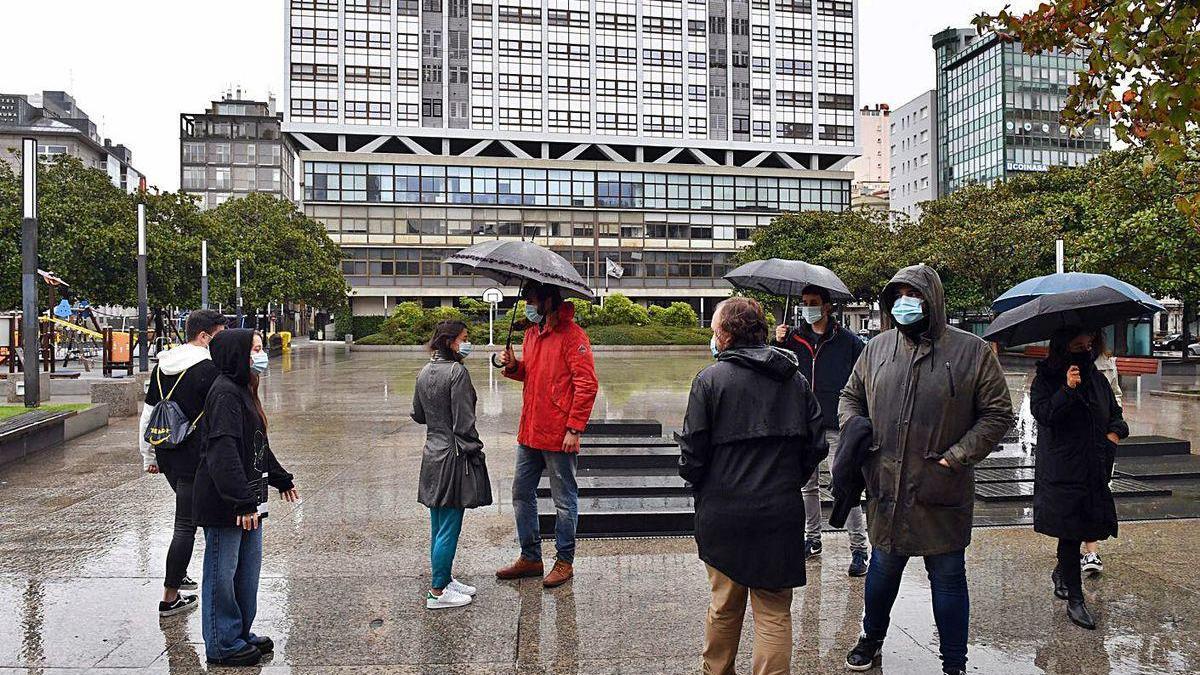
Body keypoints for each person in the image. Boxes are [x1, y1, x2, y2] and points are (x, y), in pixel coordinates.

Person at [839, 264, 1013, 675]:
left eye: (912, 295)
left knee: (949, 578)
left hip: (941, 487)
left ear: (931, 300)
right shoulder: (877, 349)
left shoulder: (971, 352)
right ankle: (871, 637)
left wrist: (957, 456)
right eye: (896, 296)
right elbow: (850, 396)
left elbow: (997, 414)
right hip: (886, 485)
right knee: (881, 572)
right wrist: (855, 428)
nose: (904, 303)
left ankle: (954, 662)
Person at [680, 297, 829, 675]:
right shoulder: (794, 380)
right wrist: (786, 479)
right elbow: (817, 444)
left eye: (715, 330)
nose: (713, 337)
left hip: (724, 513)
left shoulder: (710, 381)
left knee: (724, 606)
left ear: (727, 334)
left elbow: (692, 456)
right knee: (774, 612)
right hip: (779, 512)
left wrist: (706, 485)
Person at [194, 329, 299, 667]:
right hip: (228, 502)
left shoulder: (243, 390)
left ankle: (239, 632)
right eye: (254, 349)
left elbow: (256, 446)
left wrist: (280, 478)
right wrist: (241, 500)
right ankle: (222, 642)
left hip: (249, 498)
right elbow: (222, 450)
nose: (261, 354)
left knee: (246, 572)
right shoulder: (224, 393)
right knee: (222, 573)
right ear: (237, 355)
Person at [496, 282, 599, 589]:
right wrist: (515, 367)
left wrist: (573, 428)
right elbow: (534, 373)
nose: (528, 305)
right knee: (520, 493)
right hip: (530, 431)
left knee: (564, 501)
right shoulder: (532, 333)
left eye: (532, 300)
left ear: (549, 301)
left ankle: (564, 561)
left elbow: (587, 385)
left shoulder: (573, 336)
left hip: (559, 434)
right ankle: (531, 557)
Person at [1030, 327, 1128, 630]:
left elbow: (1116, 415)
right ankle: (1076, 598)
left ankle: (1063, 572)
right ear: (1063, 346)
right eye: (1077, 345)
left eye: (1089, 345)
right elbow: (1043, 415)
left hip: (1094, 465)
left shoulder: (1097, 379)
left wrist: (1112, 439)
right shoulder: (1046, 379)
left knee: (1086, 524)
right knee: (1070, 532)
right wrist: (1068, 391)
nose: (1085, 350)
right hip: (1063, 469)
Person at [137, 308, 226, 617]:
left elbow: (149, 414)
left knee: (187, 514)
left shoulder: (162, 366)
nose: (221, 341)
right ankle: (169, 596)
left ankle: (180, 574)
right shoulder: (208, 369)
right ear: (204, 336)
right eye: (219, 335)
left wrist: (149, 455)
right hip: (194, 455)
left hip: (167, 452)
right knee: (185, 525)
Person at [774, 284, 868, 575]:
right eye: (803, 302)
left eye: (813, 302)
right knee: (807, 487)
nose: (807, 307)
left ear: (827, 306)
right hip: (803, 425)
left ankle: (859, 549)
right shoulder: (793, 338)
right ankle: (812, 539)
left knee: (846, 487)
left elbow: (865, 376)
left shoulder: (849, 342)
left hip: (838, 425)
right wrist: (776, 341)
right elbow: (775, 370)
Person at [412, 320, 491, 610]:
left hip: (432, 451)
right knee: (450, 525)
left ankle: (443, 578)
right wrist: (476, 450)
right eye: (464, 338)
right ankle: (437, 592)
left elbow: (418, 413)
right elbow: (464, 422)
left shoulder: (424, 371)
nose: (467, 343)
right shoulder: (457, 372)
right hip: (454, 455)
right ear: (450, 342)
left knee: (438, 523)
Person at [1081, 332, 1123, 576]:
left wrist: (1114, 434)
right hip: (1079, 444)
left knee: (1097, 488)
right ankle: (1090, 549)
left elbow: (1116, 395)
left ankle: (1080, 546)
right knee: (1086, 492)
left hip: (1104, 439)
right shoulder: (1066, 366)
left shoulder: (1107, 362)